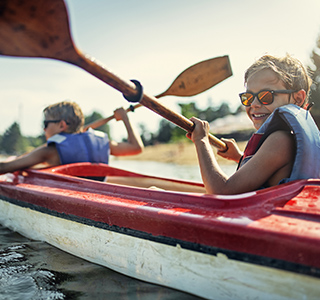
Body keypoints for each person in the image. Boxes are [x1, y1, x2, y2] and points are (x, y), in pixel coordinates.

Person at [187, 54, 320, 195]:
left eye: (266, 96)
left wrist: (201, 140)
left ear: (298, 98)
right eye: (248, 97)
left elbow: (221, 191)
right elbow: (269, 170)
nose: (254, 104)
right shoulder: (287, 140)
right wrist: (239, 157)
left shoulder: (280, 140)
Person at [0, 101, 144, 174]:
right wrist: (125, 118)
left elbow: (6, 168)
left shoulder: (50, 150)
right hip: (98, 197)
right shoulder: (102, 142)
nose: (44, 128)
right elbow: (136, 148)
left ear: (62, 125)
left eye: (46, 123)